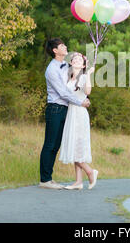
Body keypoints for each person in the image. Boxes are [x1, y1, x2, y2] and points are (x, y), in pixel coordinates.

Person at [39, 38, 91, 190]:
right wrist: (80, 102)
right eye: (62, 45)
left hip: (66, 109)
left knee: (56, 145)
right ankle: (45, 179)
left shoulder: (65, 66)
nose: (65, 46)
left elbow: (76, 72)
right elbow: (62, 92)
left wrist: (83, 61)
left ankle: (49, 178)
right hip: (55, 108)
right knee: (50, 144)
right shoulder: (52, 70)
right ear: (55, 50)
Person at [58, 52, 98, 190]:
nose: (76, 60)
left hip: (79, 113)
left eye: (80, 59)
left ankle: (89, 171)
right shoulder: (69, 77)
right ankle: (78, 181)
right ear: (71, 62)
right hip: (71, 113)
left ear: (84, 65)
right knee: (74, 145)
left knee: (77, 145)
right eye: (74, 59)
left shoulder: (83, 77)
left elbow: (87, 92)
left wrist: (89, 75)